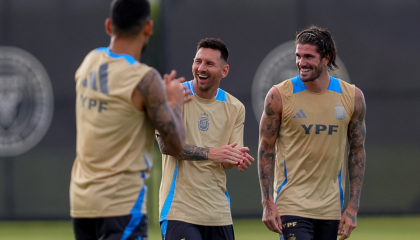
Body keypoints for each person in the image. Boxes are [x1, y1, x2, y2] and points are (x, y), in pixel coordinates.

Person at [69, 0, 189, 239]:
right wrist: (174, 102)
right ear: (148, 28)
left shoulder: (89, 62)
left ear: (108, 26)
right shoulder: (144, 79)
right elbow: (176, 145)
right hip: (121, 204)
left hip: (82, 204)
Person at [258, 26, 366, 240]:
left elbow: (357, 152)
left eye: (308, 56)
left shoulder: (352, 97)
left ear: (326, 58)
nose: (301, 62)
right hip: (291, 205)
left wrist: (352, 207)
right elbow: (265, 148)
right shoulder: (279, 95)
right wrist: (267, 201)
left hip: (331, 209)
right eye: (298, 56)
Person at [156, 38, 255, 240]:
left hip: (218, 213)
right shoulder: (174, 95)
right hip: (179, 211)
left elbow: (226, 162)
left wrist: (235, 158)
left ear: (224, 71)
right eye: (197, 61)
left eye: (209, 64)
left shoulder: (235, 107)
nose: (201, 68)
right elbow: (165, 146)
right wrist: (211, 153)